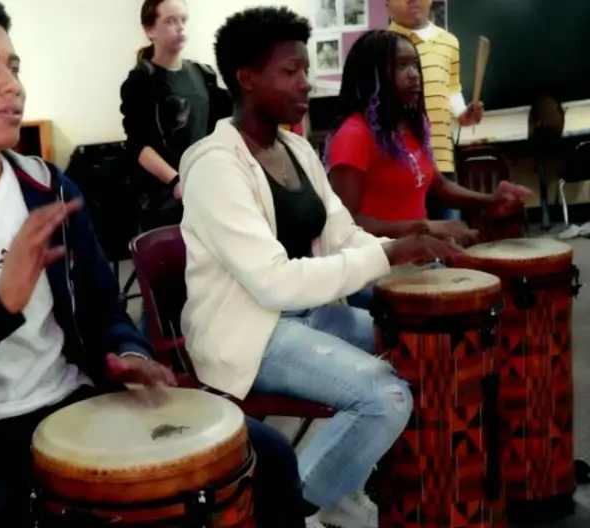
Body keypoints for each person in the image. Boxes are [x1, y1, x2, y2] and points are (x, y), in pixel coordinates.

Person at [0, 1, 307, 527]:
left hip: (69, 401)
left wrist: (125, 351)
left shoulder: (48, 189)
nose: (12, 86)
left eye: (13, 67)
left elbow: (101, 309)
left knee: (263, 458)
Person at [178, 7, 469, 528]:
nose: (306, 83)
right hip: (247, 333)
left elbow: (341, 235)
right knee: (386, 395)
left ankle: (340, 482)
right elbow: (273, 283)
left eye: (305, 70)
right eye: (290, 72)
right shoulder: (214, 166)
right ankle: (293, 511)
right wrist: (384, 254)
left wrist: (406, 246)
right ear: (246, 79)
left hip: (306, 314)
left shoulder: (294, 148)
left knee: (413, 342)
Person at [326, 30, 531, 309]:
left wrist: (492, 200)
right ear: (372, 75)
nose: (414, 75)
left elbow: (440, 186)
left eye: (415, 65)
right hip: (376, 275)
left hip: (418, 265)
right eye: (401, 66)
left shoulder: (407, 128)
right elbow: (344, 226)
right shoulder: (354, 134)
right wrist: (422, 229)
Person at [119, 0, 232, 231]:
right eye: (170, 21)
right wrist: (177, 181)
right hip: (165, 200)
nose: (180, 27)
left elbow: (226, 121)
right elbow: (138, 145)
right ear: (150, 30)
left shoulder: (202, 74)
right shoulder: (142, 80)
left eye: (183, 20)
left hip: (206, 190)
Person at [387, 0, 483, 221]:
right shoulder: (384, 45)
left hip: (442, 158)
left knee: (450, 239)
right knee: (413, 243)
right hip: (401, 163)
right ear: (387, 4)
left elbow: (452, 89)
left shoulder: (449, 43)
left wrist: (463, 114)